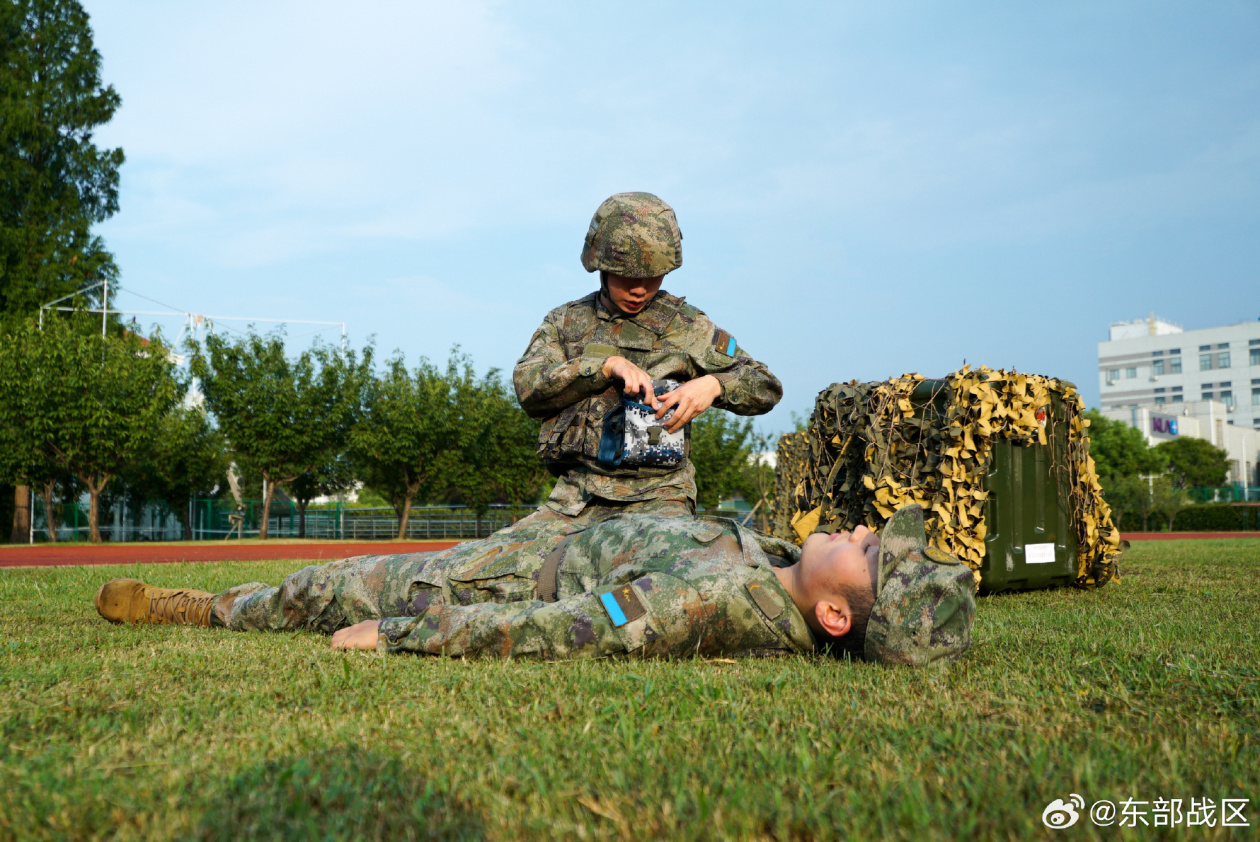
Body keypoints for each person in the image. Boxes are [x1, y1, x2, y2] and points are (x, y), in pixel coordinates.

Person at [93, 505, 976, 667]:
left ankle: (204, 610)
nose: (862, 530)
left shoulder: (709, 606)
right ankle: (222, 605)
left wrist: (409, 635)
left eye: (871, 554)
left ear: (834, 614)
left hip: (504, 581)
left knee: (334, 585)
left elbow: (572, 629)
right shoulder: (777, 565)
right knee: (334, 579)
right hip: (542, 541)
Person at [513, 191, 783, 522]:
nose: (641, 289)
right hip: (574, 498)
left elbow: (765, 384)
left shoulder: (686, 327)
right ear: (602, 267)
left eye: (653, 276)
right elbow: (528, 388)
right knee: (463, 571)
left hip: (659, 499)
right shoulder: (565, 322)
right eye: (628, 277)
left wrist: (713, 385)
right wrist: (605, 366)